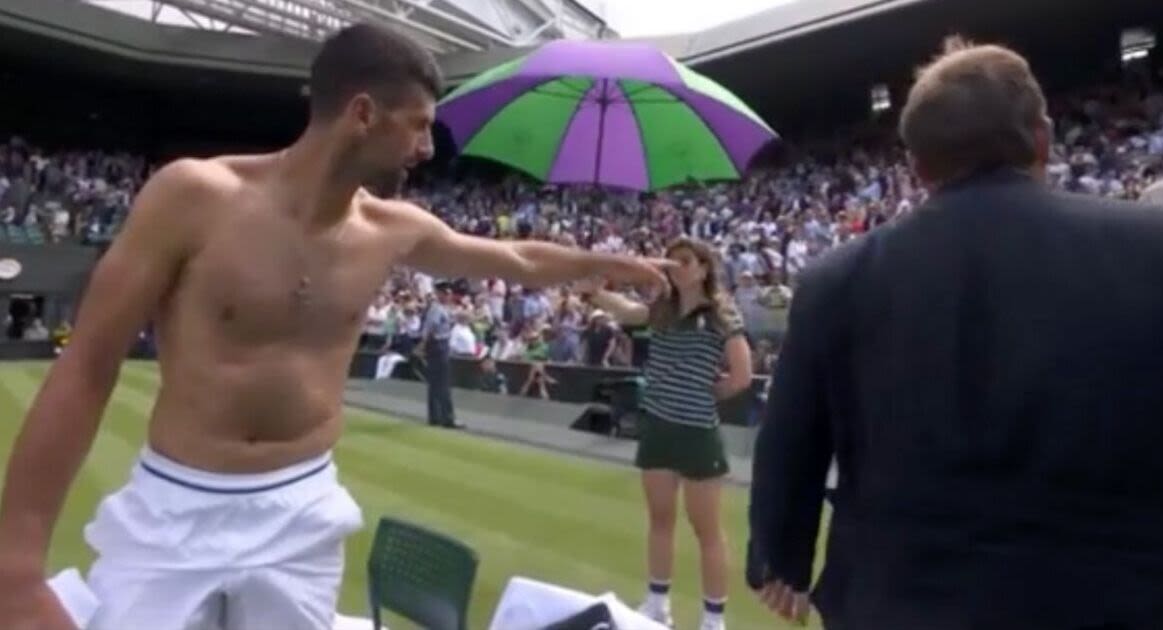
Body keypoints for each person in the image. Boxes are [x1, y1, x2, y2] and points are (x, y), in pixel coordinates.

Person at [0, 23, 671, 630]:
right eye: (417, 126)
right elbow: (88, 363)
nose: (425, 148)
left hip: (301, 512)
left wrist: (603, 262)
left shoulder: (392, 229)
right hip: (175, 512)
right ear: (361, 114)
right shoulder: (194, 197)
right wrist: (17, 568)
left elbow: (515, 257)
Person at [750, 37, 1163, 629]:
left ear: (918, 166)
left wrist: (780, 556)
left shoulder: (839, 278)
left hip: (898, 606)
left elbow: (787, 453)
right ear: (1043, 136)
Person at [580, 237, 753, 630]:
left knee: (707, 530)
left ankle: (713, 620)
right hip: (657, 425)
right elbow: (628, 311)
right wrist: (596, 294)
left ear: (704, 268)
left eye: (685, 261)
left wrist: (707, 393)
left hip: (696, 433)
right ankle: (658, 605)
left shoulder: (723, 314)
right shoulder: (662, 309)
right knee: (660, 519)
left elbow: (741, 374)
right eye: (671, 261)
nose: (676, 267)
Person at [415, 280, 459, 428]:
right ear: (440, 293)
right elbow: (430, 329)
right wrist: (422, 346)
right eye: (446, 293)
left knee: (435, 384)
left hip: (437, 346)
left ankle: (435, 417)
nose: (448, 296)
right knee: (442, 383)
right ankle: (447, 418)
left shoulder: (440, 308)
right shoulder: (437, 309)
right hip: (438, 346)